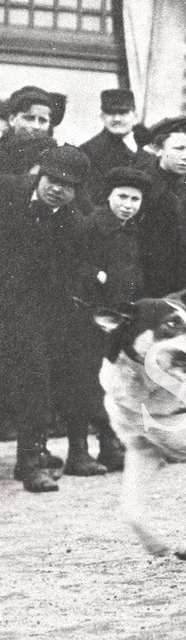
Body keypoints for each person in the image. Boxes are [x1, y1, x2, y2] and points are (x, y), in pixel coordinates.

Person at [0, 146, 87, 491]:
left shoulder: (74, 224)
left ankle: (29, 461)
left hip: (31, 309)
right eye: (53, 180)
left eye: (68, 186)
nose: (58, 189)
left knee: (34, 377)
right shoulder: (6, 191)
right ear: (40, 174)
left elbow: (65, 279)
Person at [67, 166, 153, 473]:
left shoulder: (132, 230)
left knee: (112, 383)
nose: (128, 205)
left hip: (119, 318)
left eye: (134, 199)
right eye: (122, 197)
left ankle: (109, 446)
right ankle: (77, 452)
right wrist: (96, 275)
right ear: (109, 196)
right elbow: (71, 263)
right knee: (84, 381)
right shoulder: (91, 226)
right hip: (89, 317)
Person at [137, 117, 186, 299]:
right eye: (178, 149)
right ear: (158, 150)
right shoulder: (141, 184)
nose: (185, 156)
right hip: (144, 283)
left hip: (178, 286)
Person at [78, 89, 147, 207]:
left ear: (135, 115)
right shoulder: (88, 151)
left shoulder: (146, 148)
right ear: (102, 117)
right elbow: (89, 201)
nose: (116, 119)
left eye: (123, 113)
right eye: (110, 113)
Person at [0, 85, 63, 177]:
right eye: (29, 118)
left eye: (42, 120)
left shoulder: (55, 158)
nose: (36, 126)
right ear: (12, 119)